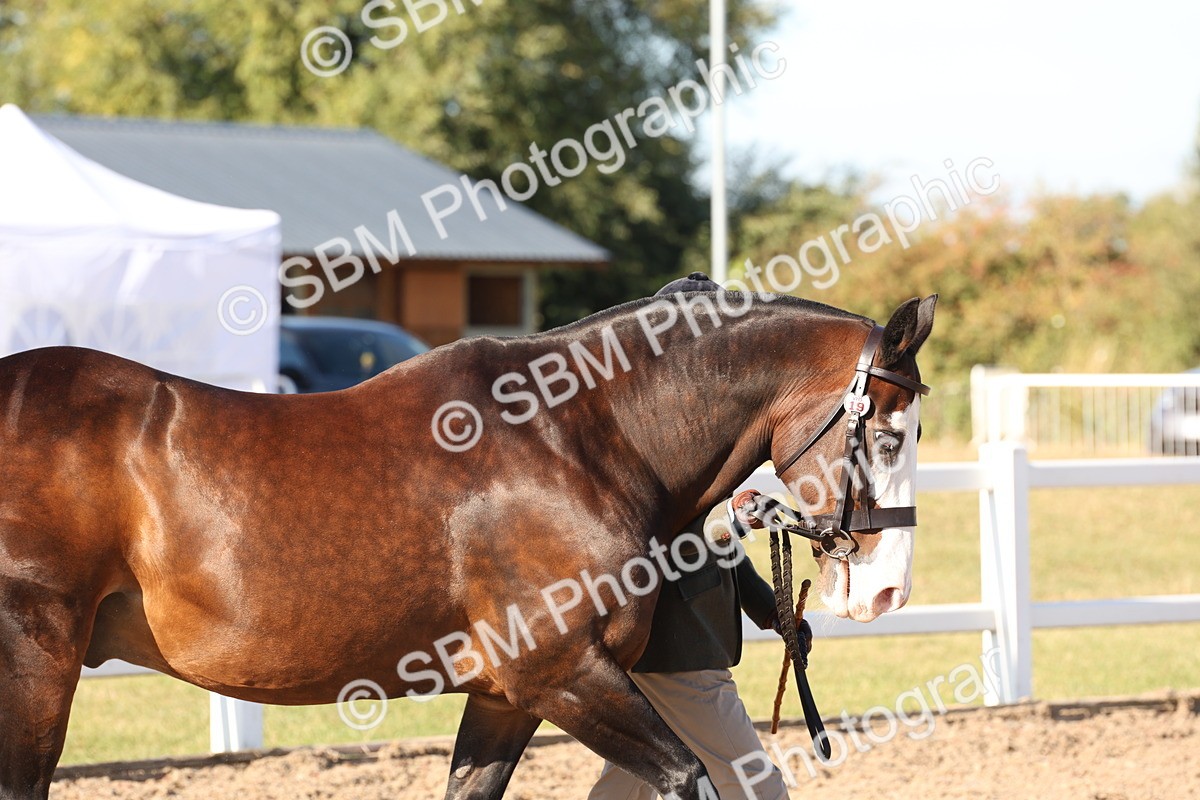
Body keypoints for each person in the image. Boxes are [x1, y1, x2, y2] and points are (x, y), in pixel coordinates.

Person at [588, 273, 806, 800]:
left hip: (661, 651)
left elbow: (721, 551)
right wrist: (728, 519)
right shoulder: (649, 434)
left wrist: (769, 609)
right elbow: (661, 537)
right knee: (756, 788)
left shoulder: (694, 427)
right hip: (679, 649)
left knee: (631, 786)